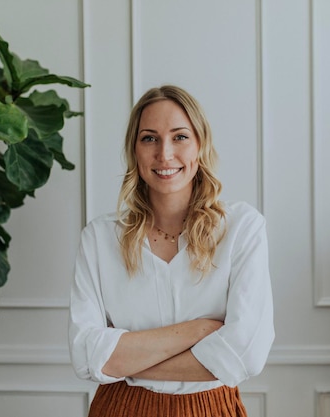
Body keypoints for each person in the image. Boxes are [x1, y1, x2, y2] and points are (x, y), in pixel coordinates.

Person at [68, 85, 274, 417]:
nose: (165, 154)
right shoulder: (99, 238)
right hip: (120, 409)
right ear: (134, 149)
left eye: (180, 137)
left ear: (200, 145)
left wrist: (123, 361)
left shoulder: (242, 229)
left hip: (210, 408)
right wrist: (199, 330)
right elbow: (84, 354)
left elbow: (245, 355)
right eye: (149, 138)